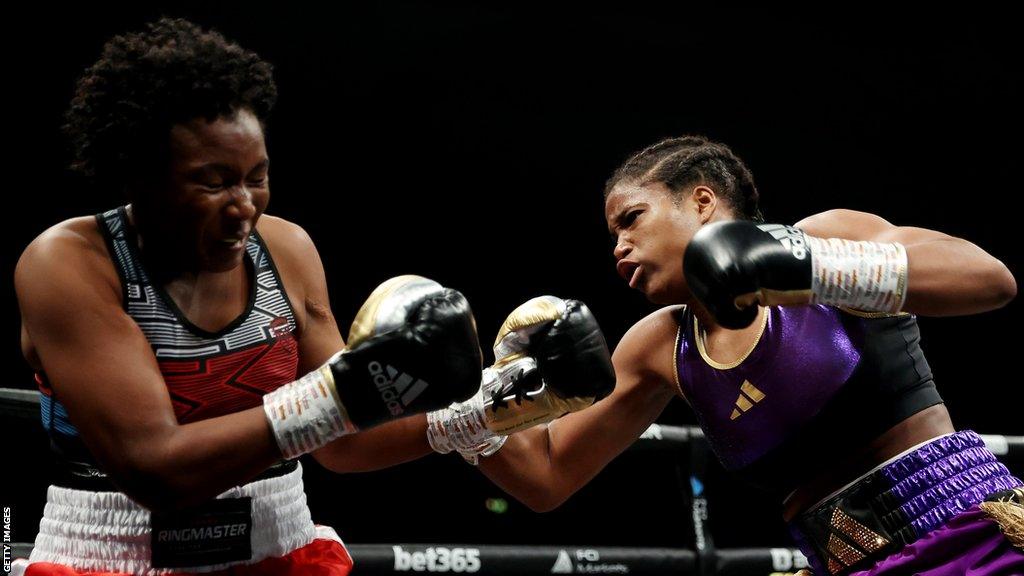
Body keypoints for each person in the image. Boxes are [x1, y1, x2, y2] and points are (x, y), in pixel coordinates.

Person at [12, 18, 495, 575]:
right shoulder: (71, 263)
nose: (244, 205)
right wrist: (351, 391)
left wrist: (496, 403)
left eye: (257, 177)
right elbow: (156, 470)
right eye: (214, 182)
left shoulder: (285, 248)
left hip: (282, 544)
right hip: (110, 553)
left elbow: (341, 444)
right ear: (137, 176)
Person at [425, 135, 1023, 575]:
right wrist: (476, 401)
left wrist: (812, 267)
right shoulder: (661, 345)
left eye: (631, 219)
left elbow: (989, 280)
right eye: (612, 236)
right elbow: (547, 477)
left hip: (964, 530)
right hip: (843, 562)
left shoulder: (824, 236)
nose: (619, 247)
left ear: (703, 201)